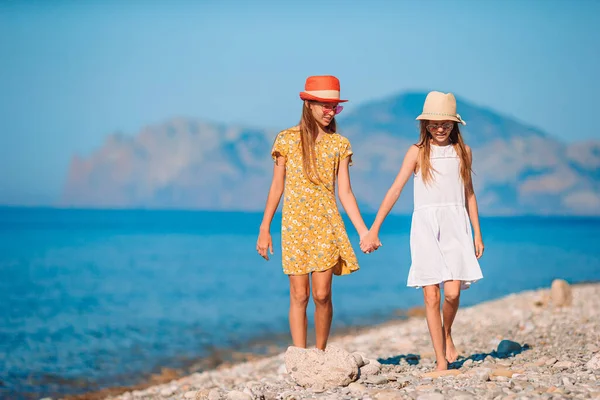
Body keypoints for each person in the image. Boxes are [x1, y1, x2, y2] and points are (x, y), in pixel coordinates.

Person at [361, 91, 484, 370]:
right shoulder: (417, 152)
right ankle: (441, 361)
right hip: (426, 227)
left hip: (456, 225)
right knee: (431, 294)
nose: (439, 129)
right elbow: (395, 190)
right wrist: (374, 229)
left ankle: (447, 332)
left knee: (452, 293)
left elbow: (469, 194)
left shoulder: (464, 152)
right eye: (433, 124)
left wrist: (477, 233)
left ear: (455, 125)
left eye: (446, 125)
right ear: (425, 125)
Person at [256, 75, 372, 350]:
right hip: (294, 225)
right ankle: (300, 356)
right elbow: (276, 187)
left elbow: (345, 192)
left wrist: (363, 231)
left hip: (326, 224)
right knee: (299, 295)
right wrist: (264, 228)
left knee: (322, 295)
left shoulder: (340, 144)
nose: (330, 112)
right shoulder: (286, 140)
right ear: (308, 104)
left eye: (335, 107)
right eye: (325, 105)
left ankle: (319, 352)